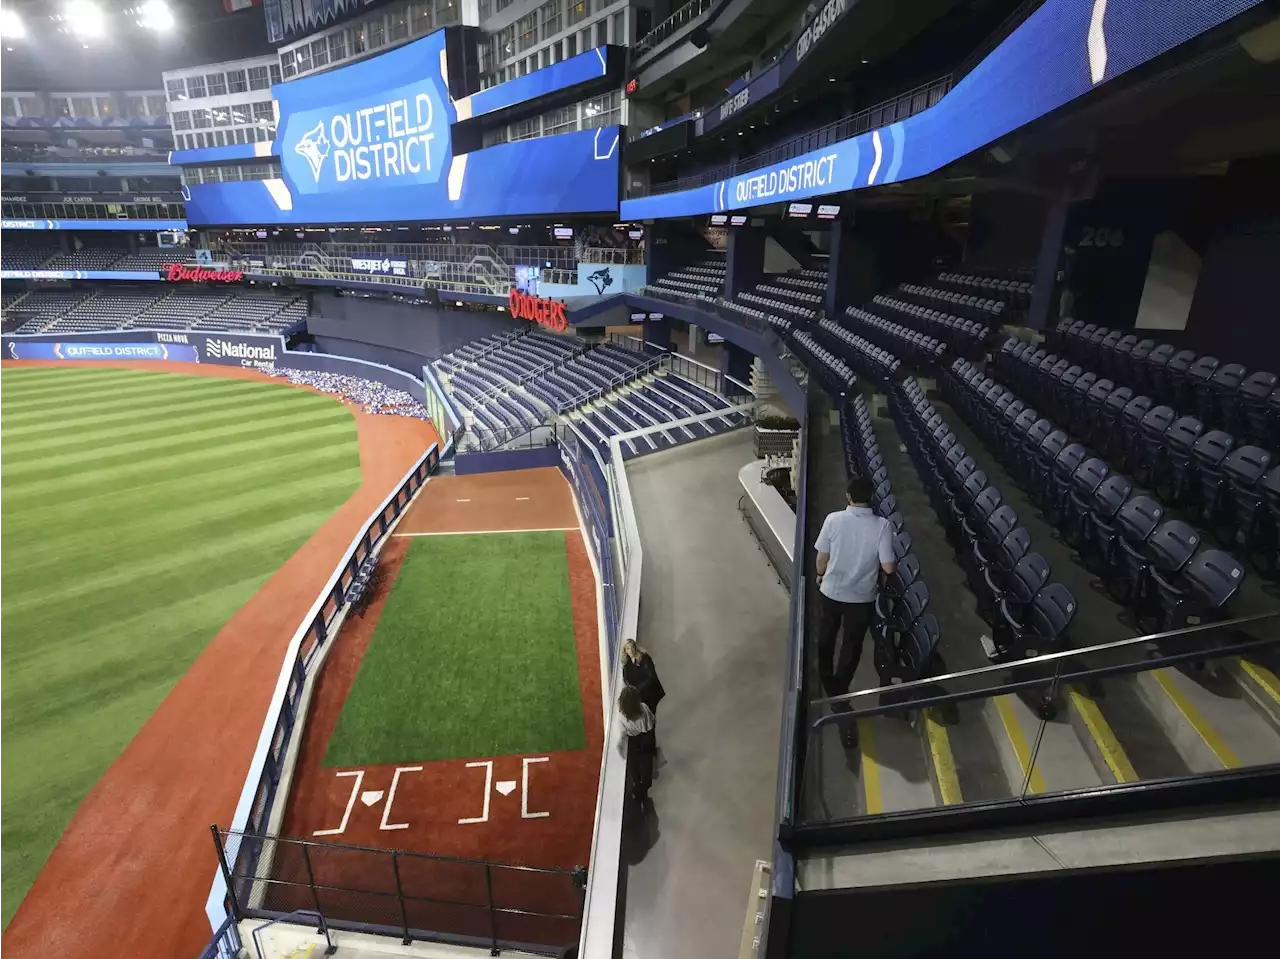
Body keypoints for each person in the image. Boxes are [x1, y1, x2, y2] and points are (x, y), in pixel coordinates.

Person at [814, 476, 897, 711]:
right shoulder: (882, 526)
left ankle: (827, 679)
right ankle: (840, 692)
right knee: (852, 644)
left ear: (848, 496)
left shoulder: (833, 520)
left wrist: (820, 574)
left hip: (831, 591)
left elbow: (822, 558)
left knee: (827, 637)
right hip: (861, 599)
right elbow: (888, 567)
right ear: (872, 498)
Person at [618, 685, 656, 800]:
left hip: (632, 741)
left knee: (633, 765)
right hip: (645, 739)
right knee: (646, 763)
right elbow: (650, 725)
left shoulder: (622, 717)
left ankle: (637, 784)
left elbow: (623, 733)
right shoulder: (644, 709)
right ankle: (644, 786)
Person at [622, 640, 665, 714]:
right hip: (638, 696)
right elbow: (627, 680)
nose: (631, 650)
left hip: (650, 692)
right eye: (628, 648)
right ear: (625, 651)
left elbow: (651, 677)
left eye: (632, 647)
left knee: (649, 714)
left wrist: (638, 689)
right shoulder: (627, 665)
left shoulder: (644, 658)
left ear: (635, 647)